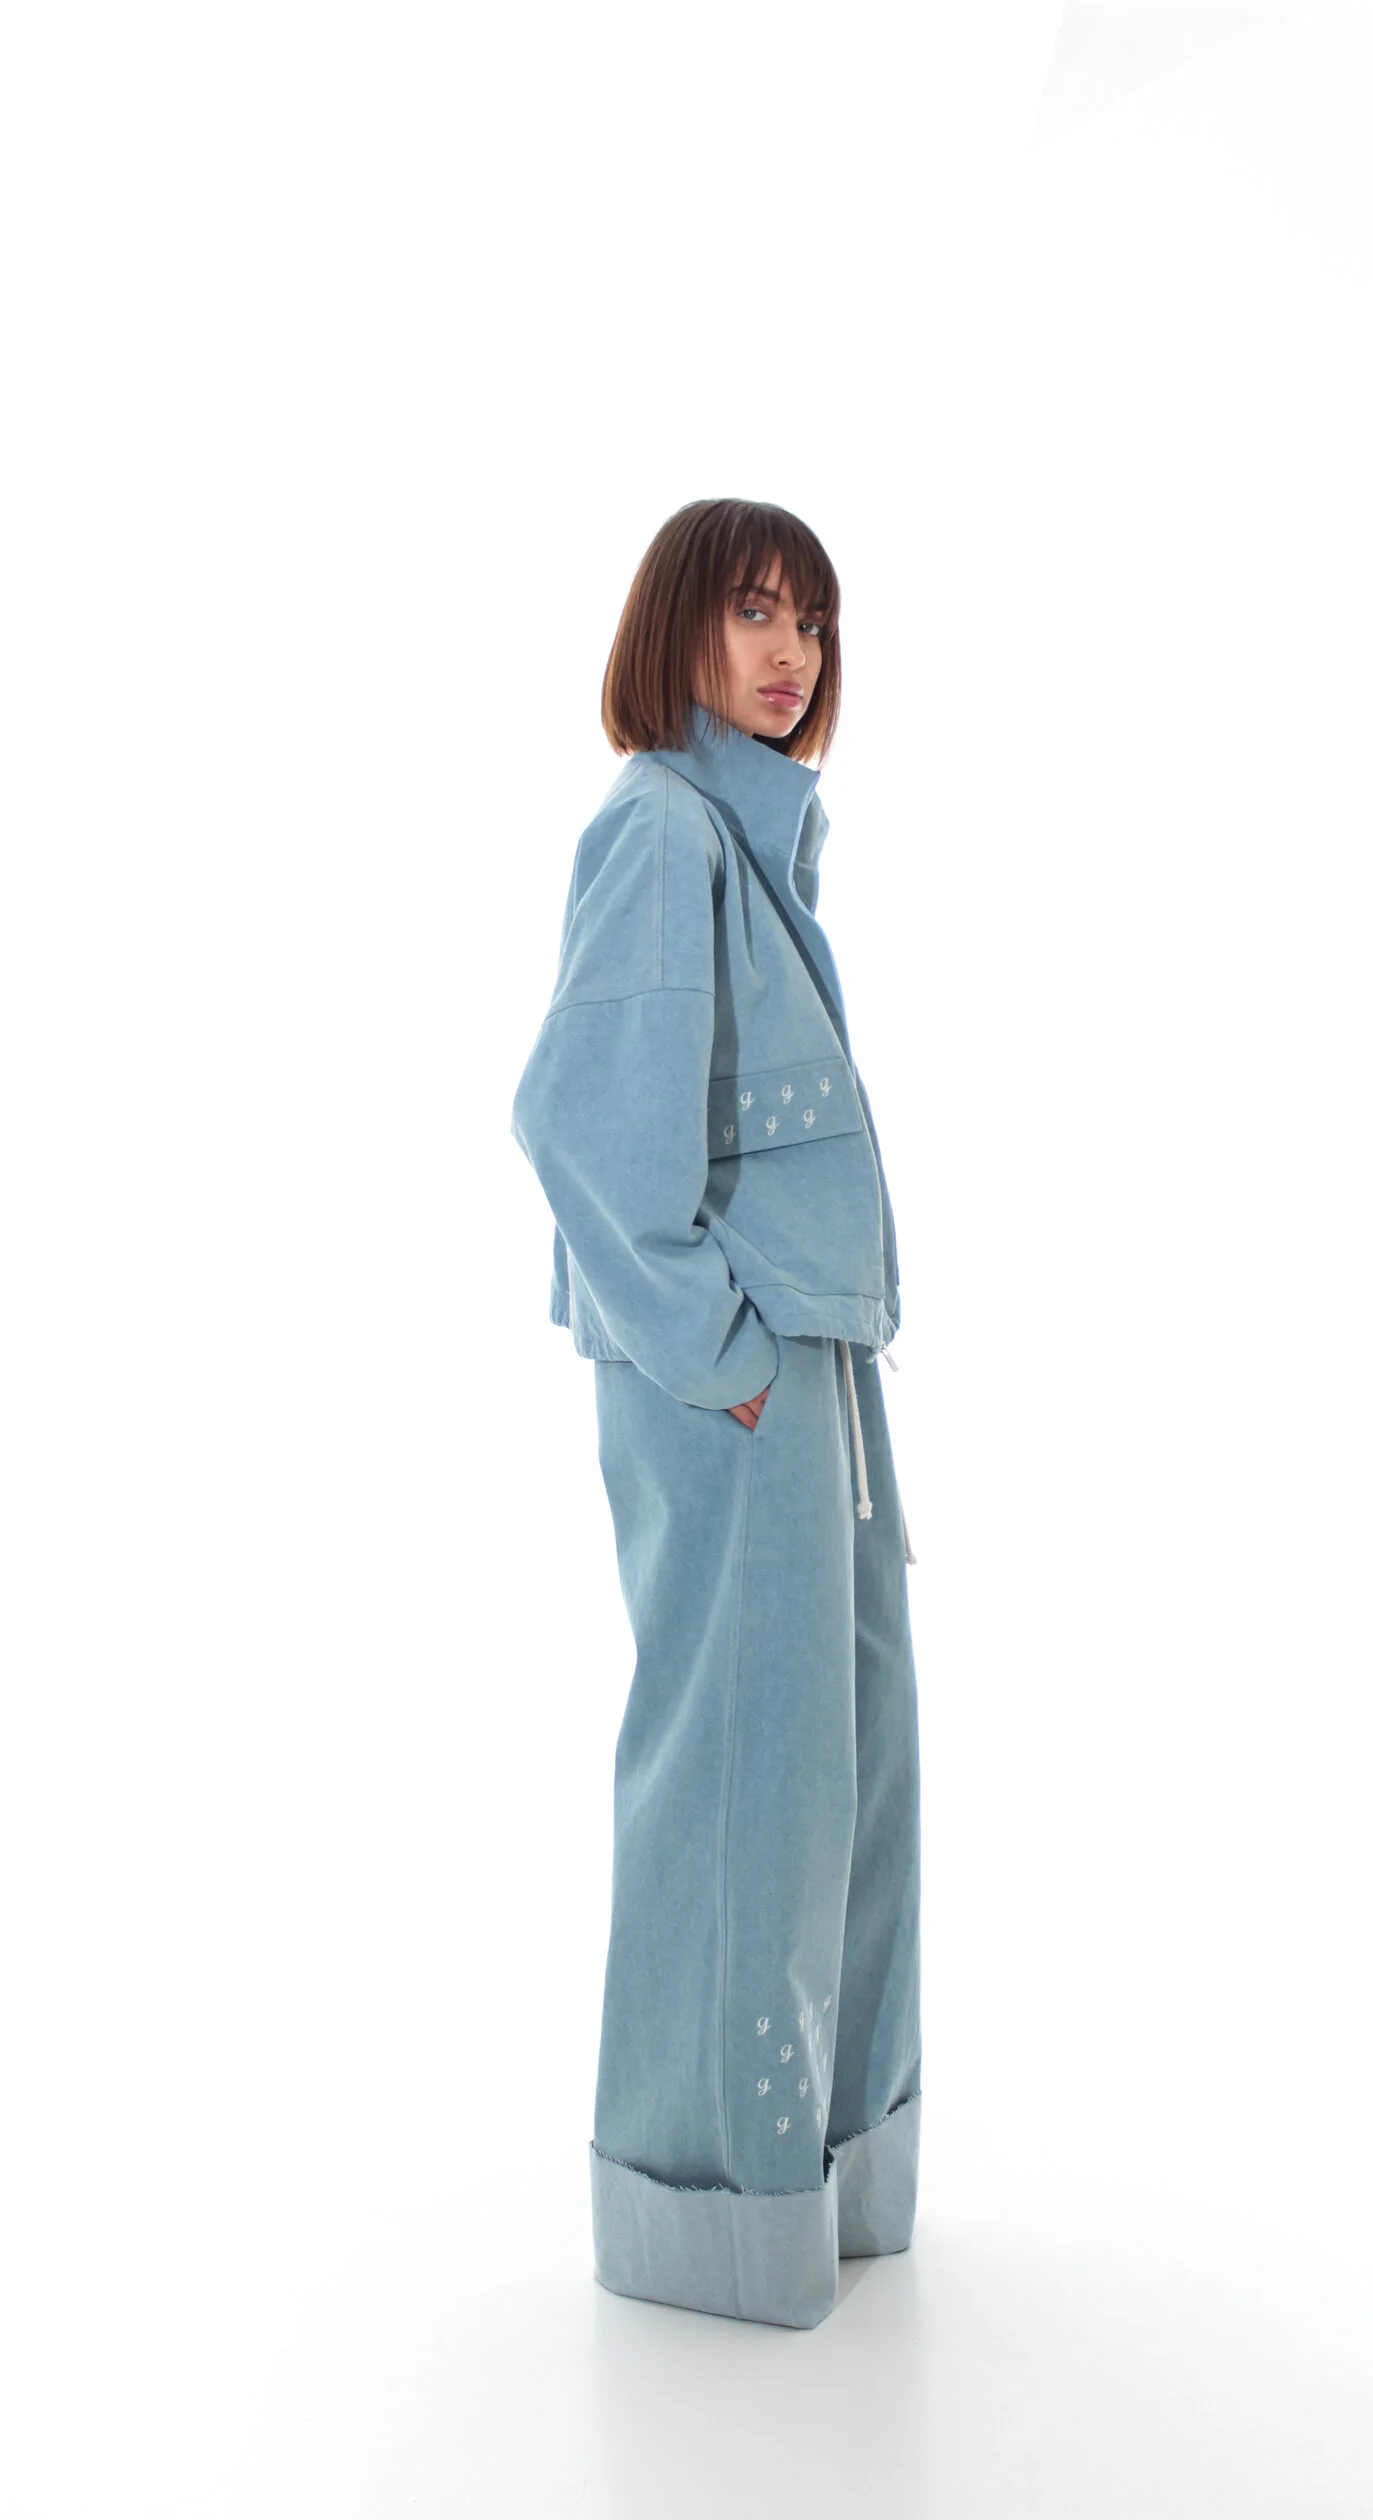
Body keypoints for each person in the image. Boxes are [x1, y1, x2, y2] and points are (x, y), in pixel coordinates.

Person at [509, 498, 922, 2329]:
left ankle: (826, 2182)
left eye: (810, 622)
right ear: (676, 624)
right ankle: (704, 2217)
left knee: (848, 1775)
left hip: (809, 1372)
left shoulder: (750, 845)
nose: (789, 653)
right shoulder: (661, 830)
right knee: (745, 1778)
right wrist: (728, 1363)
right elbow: (580, 1126)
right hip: (738, 1385)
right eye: (755, 611)